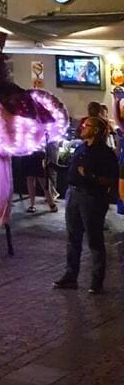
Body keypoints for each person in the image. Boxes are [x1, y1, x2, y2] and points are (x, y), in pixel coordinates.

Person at [53, 115, 118, 294]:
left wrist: (92, 177)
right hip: (73, 194)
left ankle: (96, 282)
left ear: (96, 130)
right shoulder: (81, 148)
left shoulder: (105, 153)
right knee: (72, 237)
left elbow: (111, 179)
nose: (82, 127)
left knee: (94, 240)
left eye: (87, 125)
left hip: (91, 198)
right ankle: (70, 276)